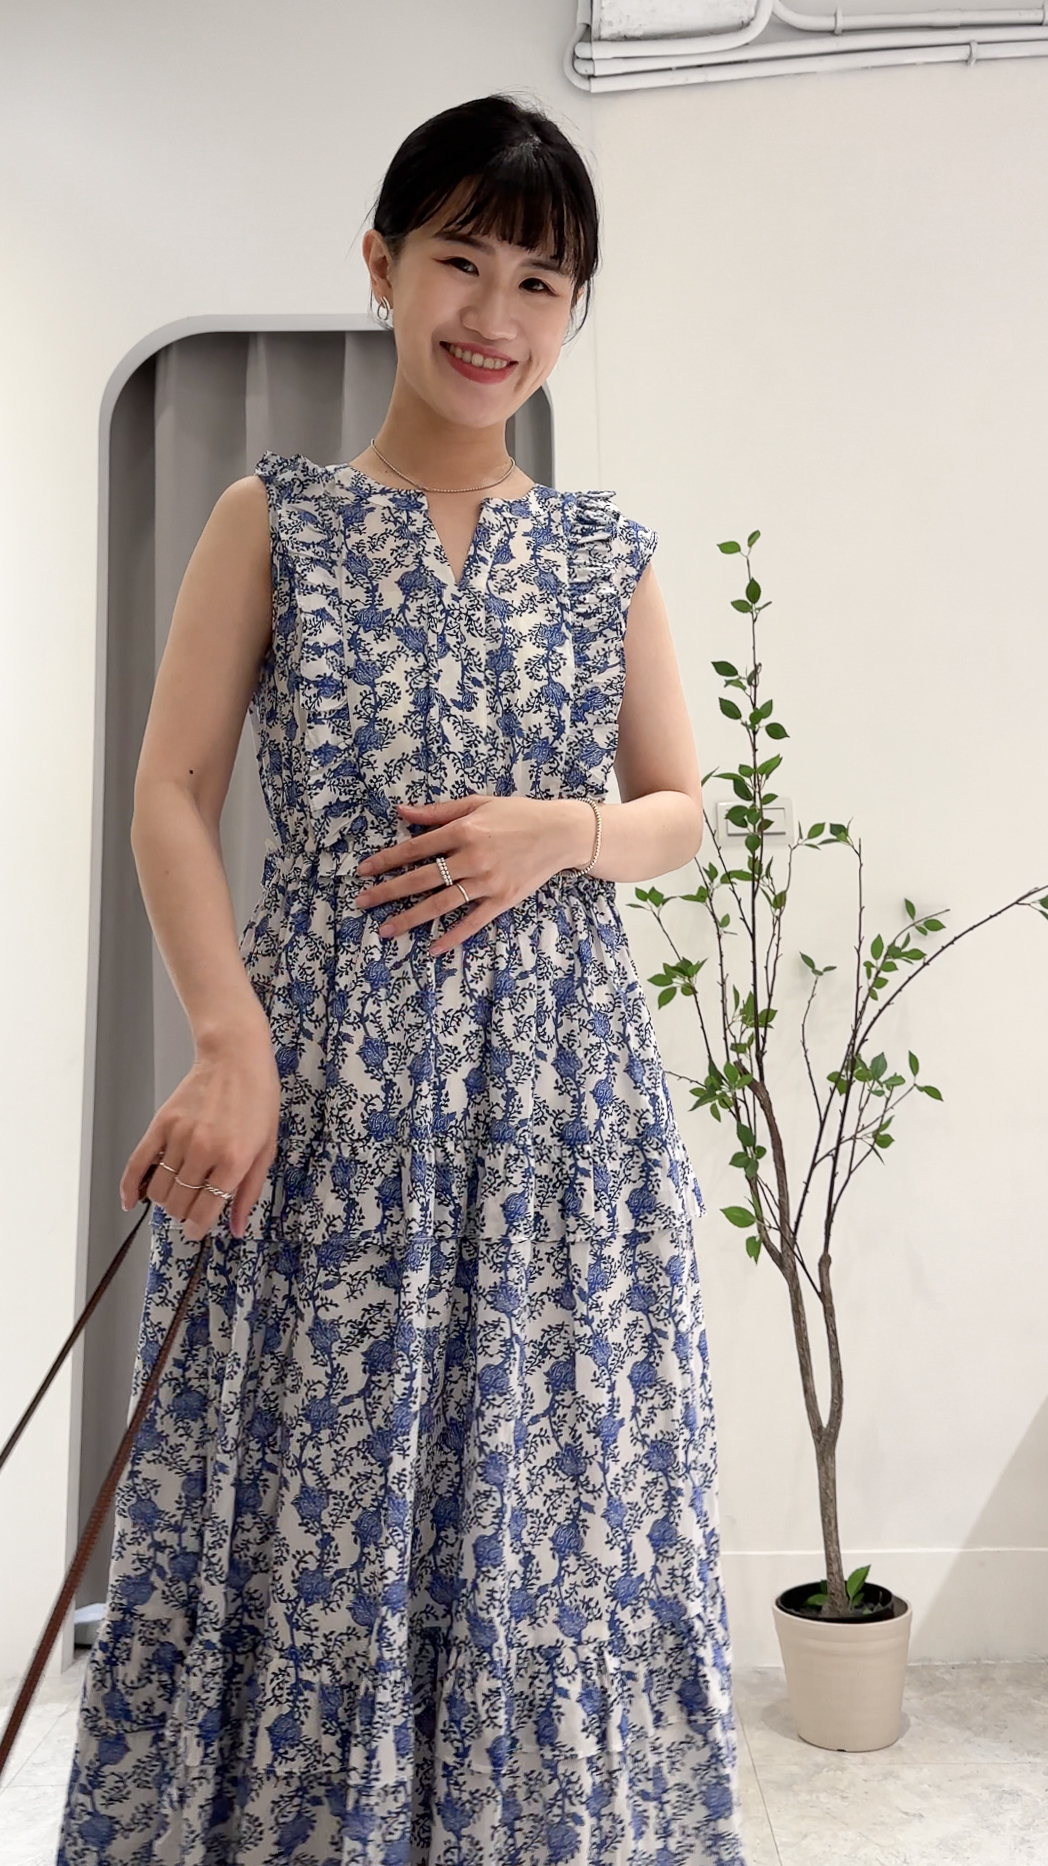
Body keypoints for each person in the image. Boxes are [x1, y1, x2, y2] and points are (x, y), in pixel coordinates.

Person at [58, 92, 745, 1866]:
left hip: (556, 1118)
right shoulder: (270, 520)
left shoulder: (605, 556)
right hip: (326, 1099)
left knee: (543, 1513)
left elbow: (683, 810)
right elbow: (171, 790)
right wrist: (228, 1038)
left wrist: (558, 834)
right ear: (380, 264)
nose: (494, 313)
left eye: (541, 281)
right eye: (461, 259)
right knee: (310, 1496)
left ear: (574, 312)